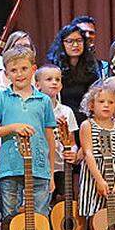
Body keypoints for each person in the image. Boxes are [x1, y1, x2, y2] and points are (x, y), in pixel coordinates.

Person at [0, 47, 57, 222]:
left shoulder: (44, 100)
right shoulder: (1, 98)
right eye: (13, 70)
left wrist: (52, 173)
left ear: (33, 69)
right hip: (10, 169)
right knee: (10, 221)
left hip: (39, 169)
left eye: (24, 69)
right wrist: (13, 127)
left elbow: (50, 138)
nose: (19, 74)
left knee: (40, 220)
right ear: (7, 73)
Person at [77, 80, 115, 218]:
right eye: (101, 102)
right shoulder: (87, 125)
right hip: (94, 175)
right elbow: (88, 153)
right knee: (96, 219)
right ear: (91, 105)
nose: (106, 105)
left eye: (111, 102)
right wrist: (99, 180)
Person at [35, 65, 81, 195]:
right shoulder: (33, 110)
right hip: (40, 167)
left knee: (61, 206)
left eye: (57, 79)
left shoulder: (67, 111)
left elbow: (72, 142)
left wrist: (73, 152)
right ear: (38, 85)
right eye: (49, 79)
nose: (54, 82)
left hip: (61, 167)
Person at [46, 23, 101, 117]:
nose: (75, 45)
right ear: (62, 43)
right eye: (70, 41)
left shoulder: (91, 67)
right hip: (61, 118)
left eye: (79, 40)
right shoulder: (54, 68)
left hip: (86, 119)